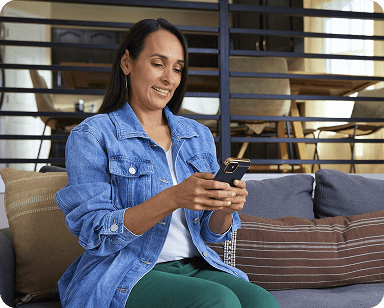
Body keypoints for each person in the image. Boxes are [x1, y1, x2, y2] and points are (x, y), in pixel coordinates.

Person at [55, 18, 280, 308]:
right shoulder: (92, 135)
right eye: (158, 64)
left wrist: (226, 207)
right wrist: (173, 197)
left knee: (263, 303)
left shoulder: (196, 135)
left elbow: (211, 233)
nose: (170, 79)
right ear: (127, 62)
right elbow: (96, 234)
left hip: (195, 265)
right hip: (125, 271)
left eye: (177, 68)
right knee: (218, 301)